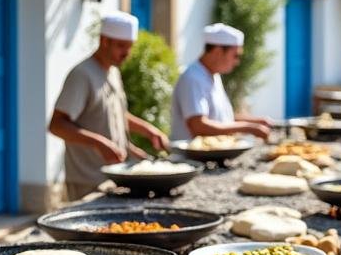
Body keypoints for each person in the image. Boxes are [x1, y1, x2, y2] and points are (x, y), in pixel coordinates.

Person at [48, 11, 169, 200]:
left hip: (115, 175)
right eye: (121, 46)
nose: (126, 53)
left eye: (130, 47)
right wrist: (99, 144)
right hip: (88, 181)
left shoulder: (112, 71)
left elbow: (114, 115)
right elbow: (57, 125)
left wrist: (146, 132)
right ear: (104, 41)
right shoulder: (82, 75)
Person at [170, 23, 272, 142]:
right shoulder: (192, 78)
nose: (237, 62)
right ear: (218, 51)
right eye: (235, 55)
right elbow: (198, 126)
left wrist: (255, 122)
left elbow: (221, 119)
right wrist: (248, 128)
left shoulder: (213, 75)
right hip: (192, 159)